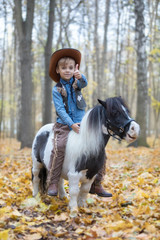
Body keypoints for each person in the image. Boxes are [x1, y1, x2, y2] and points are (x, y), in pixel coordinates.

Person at [47, 48, 112, 198]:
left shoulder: (77, 82)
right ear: (57, 70)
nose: (67, 71)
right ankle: (53, 181)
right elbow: (61, 111)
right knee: (59, 147)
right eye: (64, 68)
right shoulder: (56, 89)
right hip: (64, 125)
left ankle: (97, 183)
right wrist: (71, 124)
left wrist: (81, 76)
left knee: (99, 148)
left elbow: (84, 83)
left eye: (70, 67)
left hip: (82, 124)